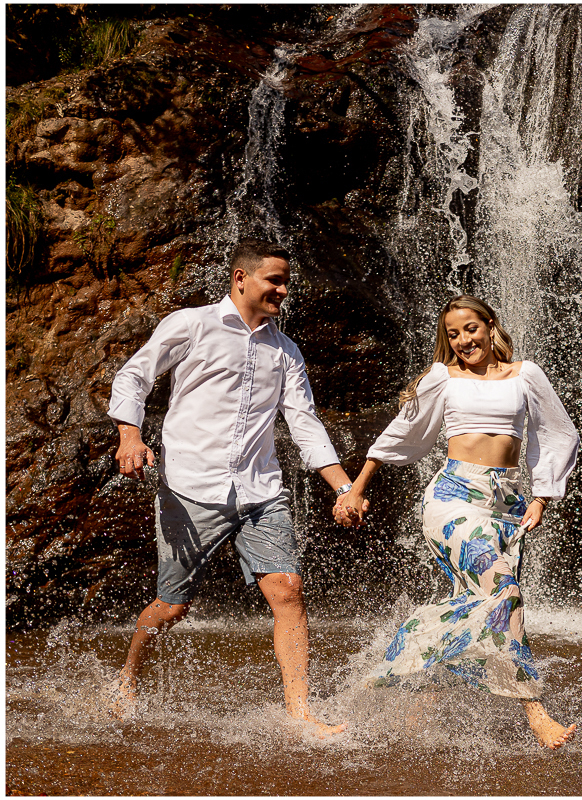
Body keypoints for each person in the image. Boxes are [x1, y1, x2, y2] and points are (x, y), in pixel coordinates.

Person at [107, 238, 360, 737]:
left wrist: (343, 487)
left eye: (286, 282)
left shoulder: (285, 351)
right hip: (191, 487)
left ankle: (299, 711)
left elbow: (304, 424)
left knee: (288, 590)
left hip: (260, 488)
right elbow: (135, 376)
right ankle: (128, 676)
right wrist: (129, 435)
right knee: (173, 605)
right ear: (241, 278)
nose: (283, 291)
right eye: (275, 280)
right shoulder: (192, 324)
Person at [337, 294, 579, 749]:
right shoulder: (442, 377)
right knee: (505, 593)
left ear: (490, 326)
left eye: (470, 329)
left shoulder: (526, 375)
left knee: (488, 604)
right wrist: (357, 487)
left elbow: (556, 432)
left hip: (506, 502)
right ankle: (536, 713)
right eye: (453, 334)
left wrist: (543, 498)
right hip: (453, 499)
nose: (464, 340)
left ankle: (416, 662)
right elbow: (401, 431)